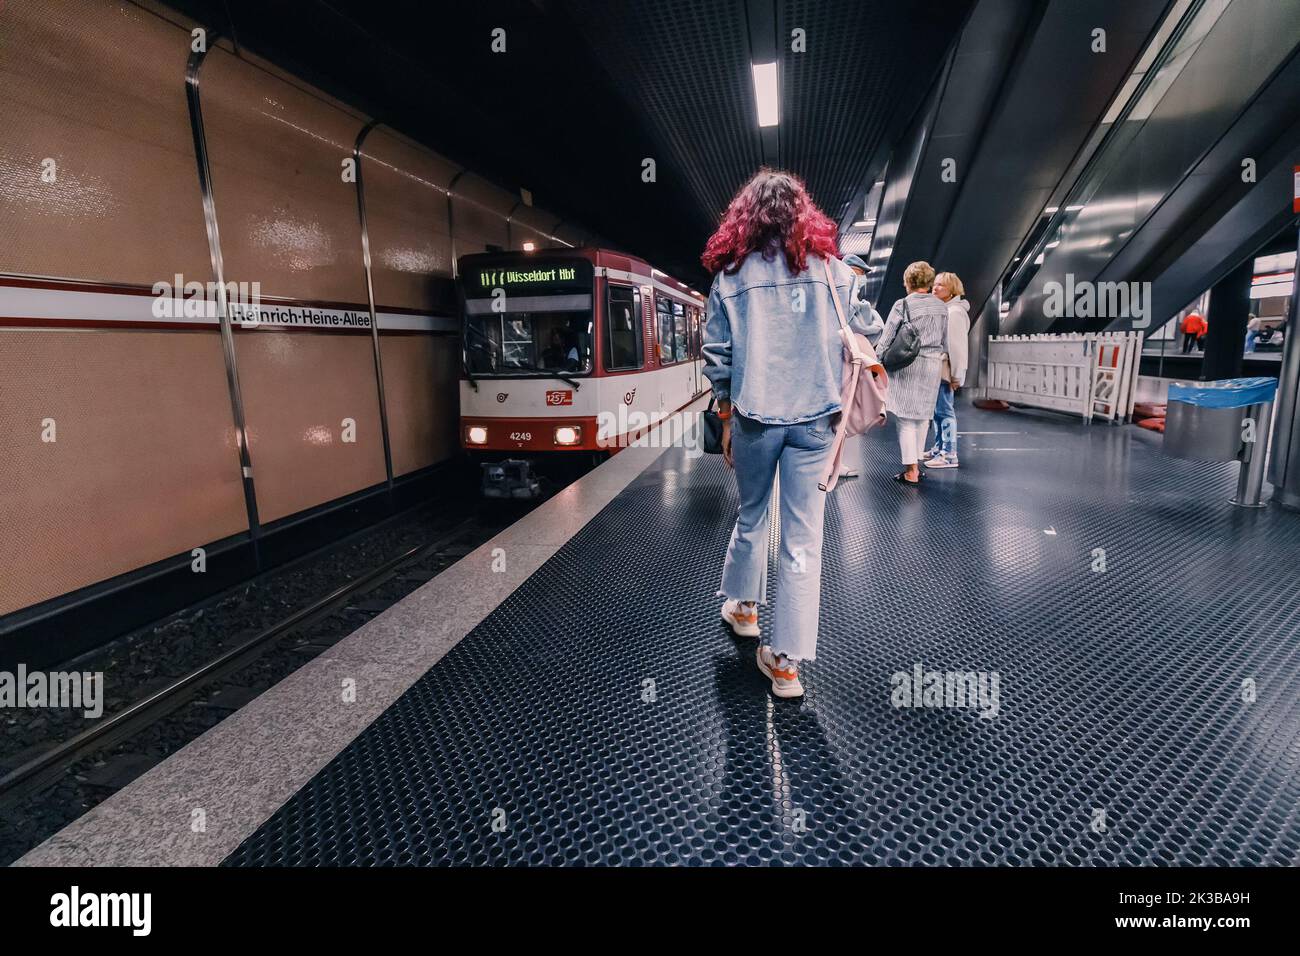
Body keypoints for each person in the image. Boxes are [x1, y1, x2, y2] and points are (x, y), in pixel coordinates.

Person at [701, 167, 874, 699]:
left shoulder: (730, 276)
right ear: (804, 216)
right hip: (815, 424)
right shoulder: (835, 274)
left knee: (752, 515)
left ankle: (746, 611)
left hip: (755, 420)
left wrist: (727, 419)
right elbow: (867, 335)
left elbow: (718, 357)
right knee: (802, 539)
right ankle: (787, 666)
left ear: (744, 220)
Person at [875, 261, 949, 485]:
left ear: (908, 281)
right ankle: (916, 463)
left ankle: (911, 470)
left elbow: (887, 336)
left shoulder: (903, 304)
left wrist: (877, 362)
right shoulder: (940, 306)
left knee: (906, 419)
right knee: (923, 416)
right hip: (932, 364)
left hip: (908, 363)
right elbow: (945, 339)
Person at [834, 254, 885, 480]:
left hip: (832, 357)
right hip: (841, 359)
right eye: (861, 274)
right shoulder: (847, 290)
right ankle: (832, 464)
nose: (862, 279)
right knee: (840, 411)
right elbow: (863, 324)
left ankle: (831, 462)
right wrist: (873, 318)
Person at [923, 271, 970, 469]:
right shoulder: (947, 310)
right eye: (935, 284)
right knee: (938, 412)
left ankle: (949, 454)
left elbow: (958, 348)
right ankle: (940, 447)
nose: (935, 287)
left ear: (952, 290)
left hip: (946, 371)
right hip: (940, 370)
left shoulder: (954, 313)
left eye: (941, 285)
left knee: (945, 411)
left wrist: (957, 376)